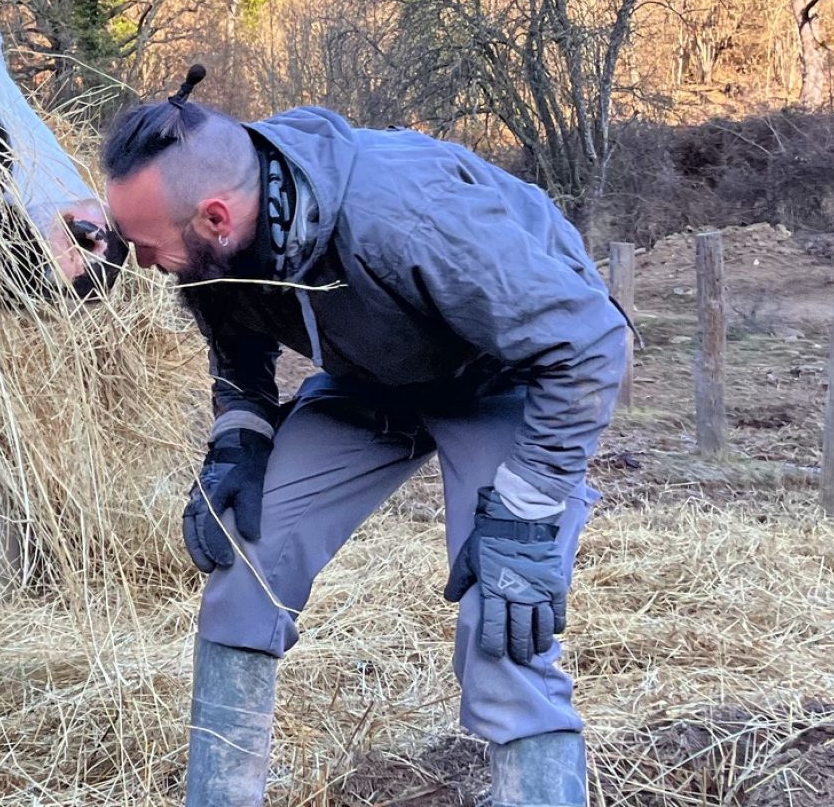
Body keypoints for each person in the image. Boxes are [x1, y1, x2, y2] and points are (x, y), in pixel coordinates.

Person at [94, 69, 629, 807]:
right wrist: (240, 438)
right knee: (247, 558)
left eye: (148, 247)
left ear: (217, 218)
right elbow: (236, 342)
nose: (142, 262)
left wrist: (528, 514)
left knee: (504, 615)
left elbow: (589, 342)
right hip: (373, 377)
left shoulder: (409, 219)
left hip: (505, 377)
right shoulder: (220, 235)